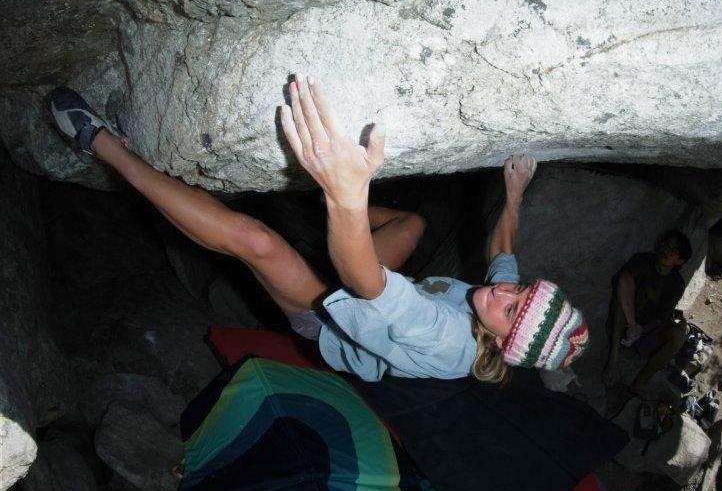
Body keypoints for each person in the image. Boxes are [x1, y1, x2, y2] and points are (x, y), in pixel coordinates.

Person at [50, 77, 588, 385]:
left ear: (500, 343)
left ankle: (101, 146)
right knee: (414, 223)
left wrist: (347, 191)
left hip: (333, 322)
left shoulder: (449, 344)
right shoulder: (498, 303)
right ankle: (321, 214)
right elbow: (503, 254)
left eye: (512, 308)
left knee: (257, 243)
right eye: (524, 290)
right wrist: (514, 195)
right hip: (366, 288)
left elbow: (366, 283)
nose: (505, 292)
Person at [602, 230, 692, 394]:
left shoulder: (676, 283)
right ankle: (613, 360)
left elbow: (661, 317)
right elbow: (623, 280)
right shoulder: (643, 261)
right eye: (665, 246)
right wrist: (633, 326)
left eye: (673, 251)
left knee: (678, 335)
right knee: (621, 296)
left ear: (679, 260)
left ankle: (640, 382)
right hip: (624, 322)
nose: (666, 251)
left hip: (645, 332)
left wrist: (643, 330)